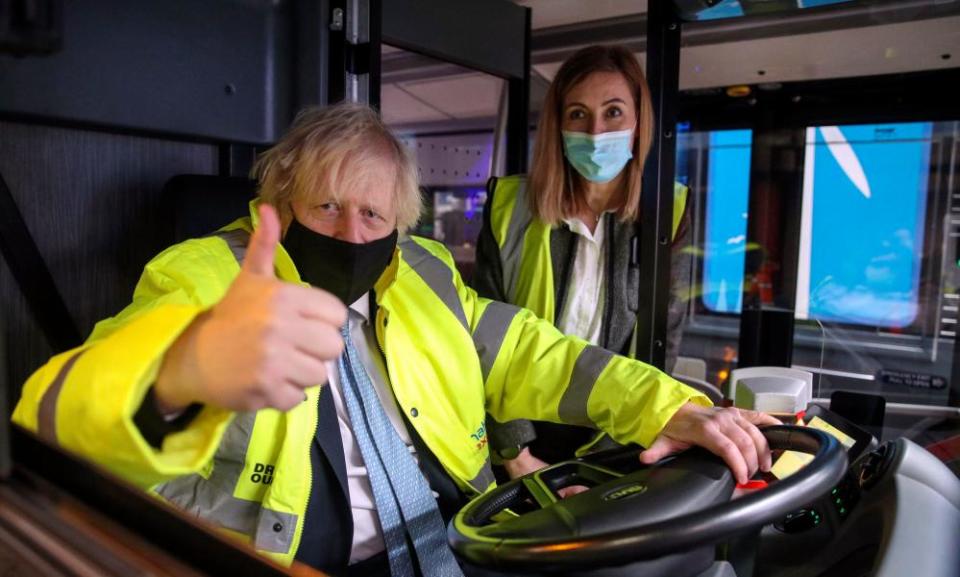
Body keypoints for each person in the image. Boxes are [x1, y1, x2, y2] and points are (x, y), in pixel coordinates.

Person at [13, 102, 774, 577]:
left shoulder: (424, 272)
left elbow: (530, 351)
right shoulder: (203, 277)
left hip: (464, 541)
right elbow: (55, 409)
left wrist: (668, 406)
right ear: (276, 202)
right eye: (327, 206)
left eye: (374, 216)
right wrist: (180, 371)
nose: (352, 232)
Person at [473, 45, 694, 482]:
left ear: (637, 123)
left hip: (617, 440)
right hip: (519, 439)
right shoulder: (507, 207)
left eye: (613, 112)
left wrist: (612, 459)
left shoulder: (668, 211)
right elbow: (482, 337)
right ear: (558, 126)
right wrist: (513, 451)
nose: (595, 132)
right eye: (578, 114)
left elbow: (662, 342)